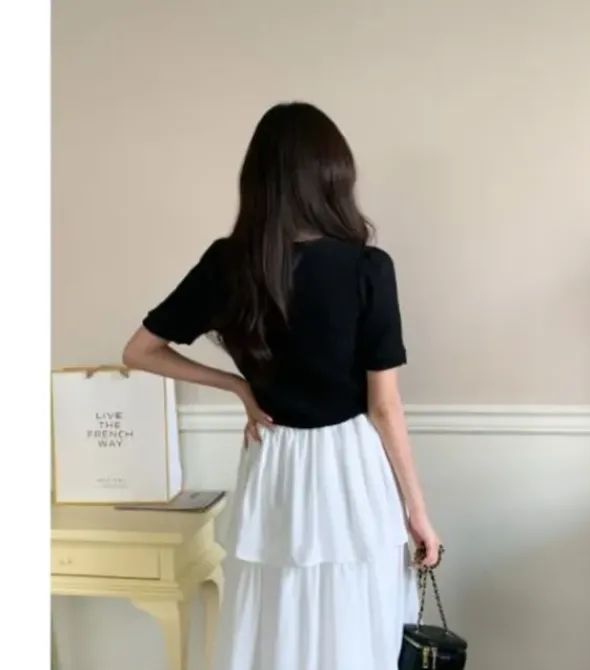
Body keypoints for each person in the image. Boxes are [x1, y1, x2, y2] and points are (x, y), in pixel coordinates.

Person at [123, 102, 440, 670]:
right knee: (352, 619)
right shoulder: (367, 268)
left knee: (273, 623)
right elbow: (384, 407)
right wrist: (418, 511)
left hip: (274, 464)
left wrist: (239, 386)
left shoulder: (229, 263)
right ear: (333, 177)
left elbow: (139, 351)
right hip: (351, 469)